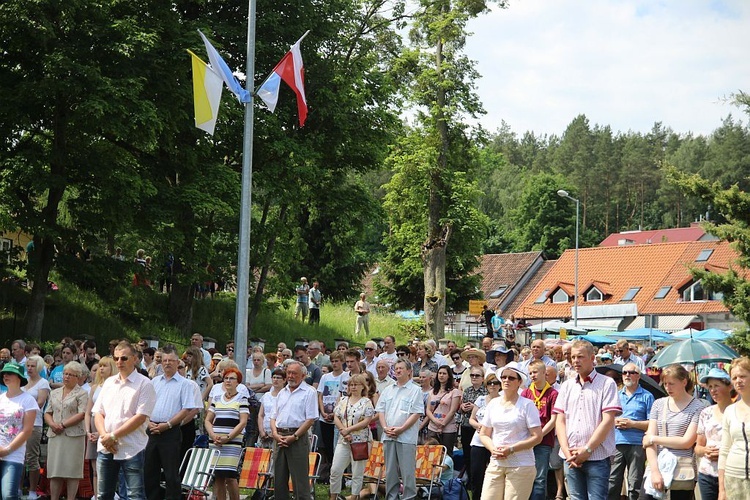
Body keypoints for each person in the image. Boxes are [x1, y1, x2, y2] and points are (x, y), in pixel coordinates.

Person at [554, 340, 622, 500]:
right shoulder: (567, 386)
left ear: (592, 358)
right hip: (569, 456)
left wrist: (587, 450)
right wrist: (566, 450)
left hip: (596, 457)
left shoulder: (606, 383)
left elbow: (607, 421)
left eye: (580, 357)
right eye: (573, 357)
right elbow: (560, 420)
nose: (576, 361)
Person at [93, 341, 156, 500]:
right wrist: (105, 436)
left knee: (134, 495)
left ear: (135, 359)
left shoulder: (145, 384)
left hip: (131, 447)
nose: (119, 362)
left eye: (124, 358)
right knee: (103, 495)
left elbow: (140, 417)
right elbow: (98, 413)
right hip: (107, 447)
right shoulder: (108, 383)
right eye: (116, 358)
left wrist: (113, 436)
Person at [478, 362, 542, 500]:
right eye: (504, 377)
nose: (506, 380)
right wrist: (492, 449)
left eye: (511, 378)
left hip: (521, 465)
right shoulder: (493, 404)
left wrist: (511, 449)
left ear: (519, 382)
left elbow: (537, 437)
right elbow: (484, 434)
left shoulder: (527, 405)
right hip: (496, 463)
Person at [642, 364, 706, 500]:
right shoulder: (659, 404)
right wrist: (654, 471)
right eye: (665, 384)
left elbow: (686, 442)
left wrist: (654, 439)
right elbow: (648, 442)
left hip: (682, 467)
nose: (667, 388)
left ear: (684, 382)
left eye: (671, 384)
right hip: (657, 463)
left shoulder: (698, 406)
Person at [144, 347, 200, 500]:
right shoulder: (154, 382)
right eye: (165, 360)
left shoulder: (185, 384)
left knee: (171, 474)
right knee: (150, 472)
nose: (167, 363)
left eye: (171, 361)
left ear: (177, 363)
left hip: (170, 431)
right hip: (152, 430)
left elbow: (186, 408)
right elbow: (146, 405)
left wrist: (168, 425)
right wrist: (149, 423)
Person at [269, 361, 319, 500]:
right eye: (289, 373)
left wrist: (294, 436)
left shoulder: (309, 392)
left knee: (300, 480)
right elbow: (273, 417)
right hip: (279, 436)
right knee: (278, 478)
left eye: (294, 373)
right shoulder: (281, 393)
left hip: (297, 436)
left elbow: (310, 419)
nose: (290, 376)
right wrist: (275, 434)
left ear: (303, 375)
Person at [376, 359, 424, 500]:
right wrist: (385, 427)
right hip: (388, 435)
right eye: (396, 368)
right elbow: (381, 411)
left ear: (409, 371)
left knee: (407, 471)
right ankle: (392, 497)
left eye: (401, 368)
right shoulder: (388, 390)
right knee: (390, 471)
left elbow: (416, 413)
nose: (398, 371)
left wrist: (401, 429)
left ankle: (409, 497)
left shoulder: (415, 390)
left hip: (406, 437)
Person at [607, 362, 654, 500]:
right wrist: (615, 421)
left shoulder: (647, 396)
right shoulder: (615, 395)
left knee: (635, 483)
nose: (627, 375)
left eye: (631, 372)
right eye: (624, 372)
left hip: (637, 444)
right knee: (612, 482)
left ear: (638, 376)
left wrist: (633, 424)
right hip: (616, 442)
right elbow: (605, 417)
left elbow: (652, 423)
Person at [44, 362, 88, 500]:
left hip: (73, 436)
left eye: (70, 374)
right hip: (55, 435)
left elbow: (81, 414)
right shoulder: (54, 392)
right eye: (65, 373)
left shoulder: (82, 393)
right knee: (55, 471)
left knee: (72, 472)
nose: (66, 377)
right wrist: (52, 425)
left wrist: (62, 425)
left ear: (78, 377)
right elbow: (47, 412)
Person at [205, 368, 249, 500]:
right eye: (226, 378)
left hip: (232, 442)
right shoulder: (217, 398)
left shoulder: (242, 399)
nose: (228, 381)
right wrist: (213, 435)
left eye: (232, 378)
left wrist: (228, 437)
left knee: (230, 476)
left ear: (238, 382)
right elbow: (208, 419)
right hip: (216, 441)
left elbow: (243, 422)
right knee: (218, 476)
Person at [329, 373, 375, 500]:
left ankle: (355, 497)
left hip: (360, 441)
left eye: (356, 385)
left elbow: (366, 421)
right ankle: (333, 496)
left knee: (357, 472)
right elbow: (336, 416)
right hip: (343, 440)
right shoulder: (344, 400)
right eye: (351, 385)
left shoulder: (367, 402)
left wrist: (349, 430)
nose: (353, 387)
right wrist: (343, 430)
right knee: (335, 470)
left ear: (363, 386)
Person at [521, 359, 559, 500]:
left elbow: (553, 419)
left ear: (544, 373)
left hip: (543, 441)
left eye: (535, 372)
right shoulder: (526, 393)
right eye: (530, 373)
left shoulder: (553, 394)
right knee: (526, 475)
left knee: (539, 478)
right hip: (526, 440)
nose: (532, 375)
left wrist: (539, 436)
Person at [0, 363, 37, 500]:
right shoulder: (0, 398)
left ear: (19, 378)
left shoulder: (28, 400)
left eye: (9, 373)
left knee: (8, 495)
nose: (5, 376)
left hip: (14, 455)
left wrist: (7, 450)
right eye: (4, 373)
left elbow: (27, 430)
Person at [696, 368, 733, 500]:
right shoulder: (706, 413)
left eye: (717, 386)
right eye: (710, 386)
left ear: (729, 386)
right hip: (707, 474)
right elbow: (698, 447)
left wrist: (723, 453)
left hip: (731, 474)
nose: (713, 390)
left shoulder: (738, 412)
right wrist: (705, 450)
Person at [84, 355, 116, 499]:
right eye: (100, 366)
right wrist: (87, 431)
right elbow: (87, 411)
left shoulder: (116, 387)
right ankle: (96, 495)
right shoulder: (94, 388)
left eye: (105, 366)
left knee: (107, 468)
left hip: (107, 428)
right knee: (95, 468)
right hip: (92, 426)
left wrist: (101, 432)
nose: (101, 368)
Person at [718, 357, 750, 499]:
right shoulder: (730, 411)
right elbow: (724, 450)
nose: (738, 380)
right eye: (734, 377)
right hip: (733, 478)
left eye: (743, 376)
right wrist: (722, 489)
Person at [22, 355, 50, 500]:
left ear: (38, 367)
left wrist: (23, 403)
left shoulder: (43, 383)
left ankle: (33, 491)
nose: (30, 368)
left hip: (35, 424)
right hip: (19, 424)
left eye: (33, 366)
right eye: (28, 365)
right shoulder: (22, 382)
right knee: (19, 457)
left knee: (32, 458)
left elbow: (39, 403)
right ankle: (19, 489)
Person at [469, 370, 499, 500]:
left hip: (495, 442)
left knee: (493, 474)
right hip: (478, 440)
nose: (492, 385)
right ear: (486, 386)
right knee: (476, 473)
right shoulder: (481, 399)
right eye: (489, 383)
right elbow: (471, 419)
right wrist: (478, 426)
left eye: (495, 383)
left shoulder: (502, 401)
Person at [426, 365, 462, 457]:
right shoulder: (432, 391)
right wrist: (435, 421)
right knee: (431, 454)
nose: (441, 375)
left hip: (448, 428)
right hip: (432, 427)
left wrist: (442, 424)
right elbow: (428, 410)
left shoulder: (455, 392)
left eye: (444, 374)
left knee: (446, 454)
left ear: (449, 376)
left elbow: (453, 410)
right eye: (440, 373)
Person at [459, 366, 486, 484]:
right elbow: (461, 405)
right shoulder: (467, 390)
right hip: (466, 424)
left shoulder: (485, 391)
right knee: (467, 455)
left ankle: (481, 481)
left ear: (483, 378)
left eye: (477, 376)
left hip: (479, 427)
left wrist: (473, 407)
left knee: (479, 457)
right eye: (472, 375)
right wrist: (463, 407)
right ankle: (470, 481)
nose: (474, 378)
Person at [258, 369, 286, 448]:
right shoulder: (266, 395)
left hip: (278, 433)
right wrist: (261, 431)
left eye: (278, 378)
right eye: (274, 377)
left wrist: (274, 433)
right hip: (265, 432)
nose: (275, 380)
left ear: (284, 380)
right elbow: (261, 415)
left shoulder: (286, 396)